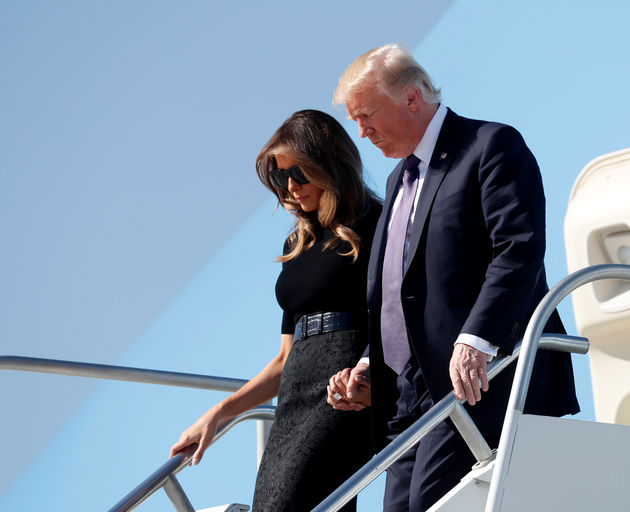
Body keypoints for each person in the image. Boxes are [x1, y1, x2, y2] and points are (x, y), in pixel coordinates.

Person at [326, 44, 579, 511]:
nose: (361, 133)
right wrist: (369, 363)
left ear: (410, 98)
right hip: (406, 396)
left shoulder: (490, 146)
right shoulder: (397, 181)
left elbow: (518, 249)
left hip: (472, 381)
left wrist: (478, 339)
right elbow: (399, 291)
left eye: (367, 115)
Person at [170, 109, 381, 512]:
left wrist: (369, 373)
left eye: (299, 172)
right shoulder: (296, 245)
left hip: (345, 386)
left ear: (329, 163)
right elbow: (284, 358)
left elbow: (395, 318)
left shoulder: (375, 224)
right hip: (295, 392)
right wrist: (216, 416)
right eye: (282, 176)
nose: (290, 186)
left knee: (294, 501)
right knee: (271, 502)